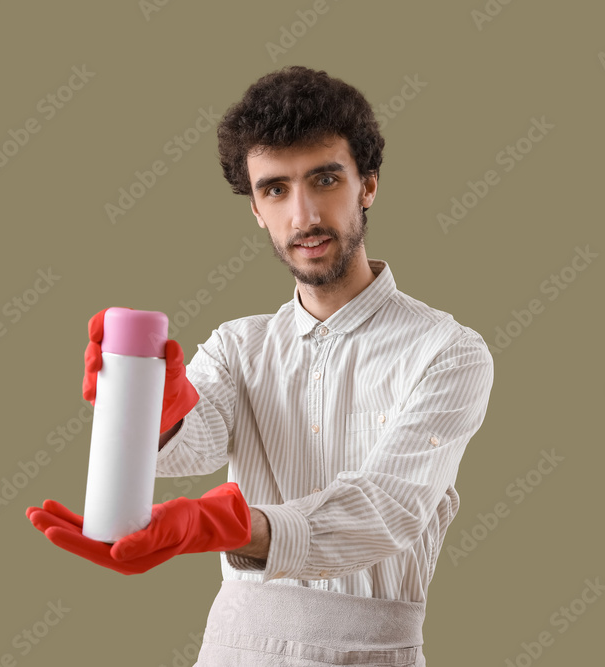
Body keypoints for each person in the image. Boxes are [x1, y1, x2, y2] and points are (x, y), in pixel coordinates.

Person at [26, 65, 495, 666]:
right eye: (274, 189)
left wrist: (228, 525)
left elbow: (388, 508)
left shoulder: (447, 351)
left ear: (368, 185)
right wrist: (152, 406)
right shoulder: (236, 345)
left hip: (373, 654)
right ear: (254, 207)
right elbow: (185, 452)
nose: (303, 217)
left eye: (324, 179)